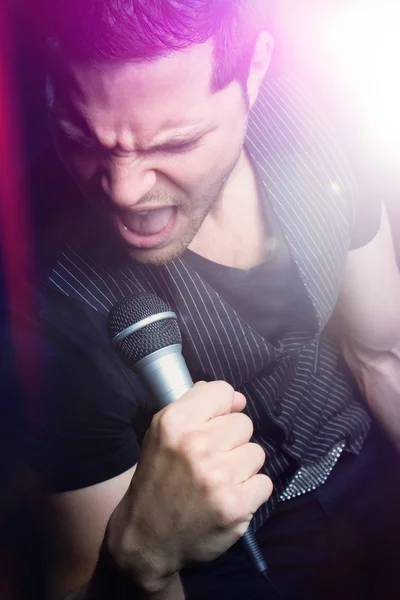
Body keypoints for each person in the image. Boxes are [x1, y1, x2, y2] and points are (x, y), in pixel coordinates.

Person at [11, 1, 400, 599]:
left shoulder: (322, 122)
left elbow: (382, 356)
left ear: (256, 69)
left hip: (366, 459)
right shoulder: (44, 298)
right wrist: (143, 558)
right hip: (224, 562)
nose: (124, 191)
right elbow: (76, 583)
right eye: (80, 137)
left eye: (177, 141)